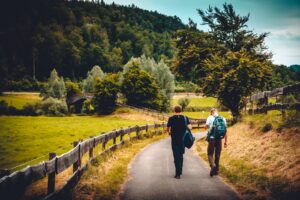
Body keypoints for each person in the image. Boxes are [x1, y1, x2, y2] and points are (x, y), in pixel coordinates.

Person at [167, 105, 192, 179]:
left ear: (174, 110)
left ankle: (178, 174)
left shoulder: (171, 118)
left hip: (174, 140)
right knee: (181, 155)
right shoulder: (185, 118)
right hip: (183, 140)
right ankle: (180, 170)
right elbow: (190, 127)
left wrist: (169, 132)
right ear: (181, 110)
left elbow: (168, 128)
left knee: (176, 156)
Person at [205, 108, 228, 177]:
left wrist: (207, 127)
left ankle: (213, 165)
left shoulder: (210, 117)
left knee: (209, 154)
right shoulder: (223, 118)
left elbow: (206, 127)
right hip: (219, 139)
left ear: (211, 113)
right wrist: (226, 141)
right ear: (217, 112)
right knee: (217, 154)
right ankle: (216, 171)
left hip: (212, 138)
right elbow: (226, 131)